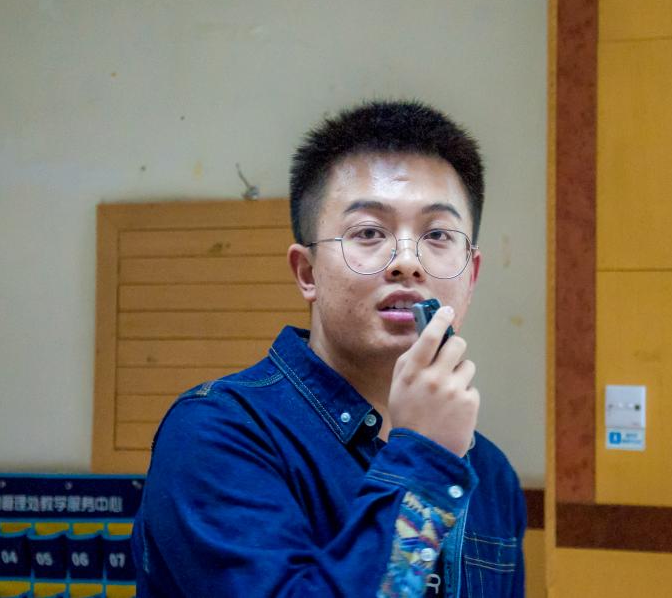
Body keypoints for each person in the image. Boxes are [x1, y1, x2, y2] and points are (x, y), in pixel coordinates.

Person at [132, 100, 526, 597]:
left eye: (438, 234)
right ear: (307, 272)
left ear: (471, 275)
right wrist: (423, 462)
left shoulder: (490, 472)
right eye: (369, 232)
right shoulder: (215, 433)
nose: (407, 261)